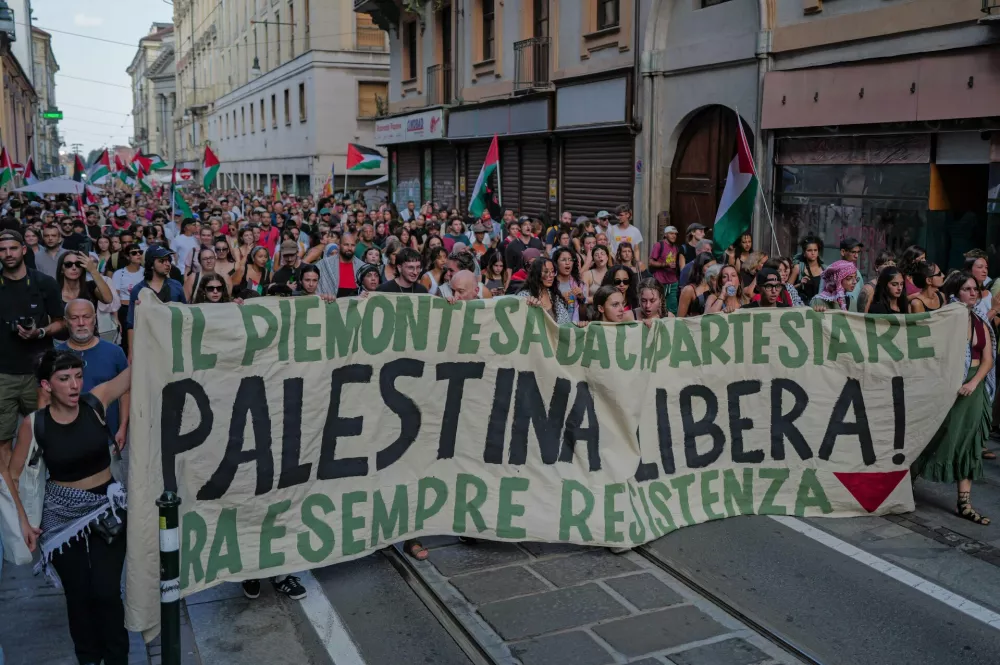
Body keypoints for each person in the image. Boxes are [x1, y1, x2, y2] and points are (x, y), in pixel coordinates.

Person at [8, 350, 132, 665]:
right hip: (60, 517)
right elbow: (11, 474)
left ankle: (117, 659)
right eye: (64, 379)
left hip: (107, 507)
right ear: (47, 385)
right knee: (79, 596)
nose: (75, 385)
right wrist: (23, 521)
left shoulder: (96, 401)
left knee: (106, 592)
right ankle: (89, 659)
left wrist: (151, 317)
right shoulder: (34, 424)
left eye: (78, 376)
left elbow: (137, 372)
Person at [912, 271, 995, 525]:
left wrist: (973, 382)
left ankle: (964, 503)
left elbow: (988, 359)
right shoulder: (945, 319)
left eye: (976, 289)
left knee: (970, 443)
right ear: (955, 293)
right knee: (933, 436)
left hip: (973, 388)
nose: (973, 293)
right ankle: (902, 484)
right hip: (948, 387)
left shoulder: (981, 321)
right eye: (967, 289)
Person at [0, 229, 65, 475]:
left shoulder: (44, 282)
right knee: (2, 440)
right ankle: (10, 496)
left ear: (23, 250)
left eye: (13, 248)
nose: (8, 254)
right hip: (3, 373)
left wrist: (39, 332)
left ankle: (45, 491)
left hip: (38, 374)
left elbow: (61, 323)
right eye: (3, 249)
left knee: (45, 435)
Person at [56, 300, 130, 454]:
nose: (81, 323)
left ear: (94, 319)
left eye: (86, 317)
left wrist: (123, 428)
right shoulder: (55, 356)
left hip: (107, 440)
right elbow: (45, 398)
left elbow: (125, 394)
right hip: (65, 441)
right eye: (75, 318)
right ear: (66, 321)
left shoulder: (114, 353)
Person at [126, 246, 186, 362]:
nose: (167, 264)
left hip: (174, 343)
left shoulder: (176, 286)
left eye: (169, 260)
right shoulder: (138, 290)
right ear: (151, 264)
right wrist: (131, 352)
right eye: (162, 261)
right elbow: (131, 324)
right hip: (148, 345)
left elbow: (185, 315)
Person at [515, 258, 573, 325]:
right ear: (536, 273)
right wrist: (529, 308)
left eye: (553, 271)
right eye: (546, 272)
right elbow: (518, 323)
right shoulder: (524, 296)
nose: (551, 275)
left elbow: (566, 324)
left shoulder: (555, 297)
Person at [111, 244, 145, 356]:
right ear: (127, 256)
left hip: (143, 310)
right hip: (124, 310)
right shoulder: (119, 274)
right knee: (126, 342)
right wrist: (116, 320)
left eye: (140, 252)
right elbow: (115, 298)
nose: (138, 255)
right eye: (134, 253)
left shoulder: (146, 272)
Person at [649, 226, 682, 314]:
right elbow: (651, 262)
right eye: (671, 233)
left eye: (675, 234)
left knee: (673, 308)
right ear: (665, 234)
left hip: (673, 281)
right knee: (658, 306)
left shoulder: (676, 248)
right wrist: (665, 264)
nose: (674, 236)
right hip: (660, 281)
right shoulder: (659, 245)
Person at [552, 247, 585, 322]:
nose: (568, 263)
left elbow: (583, 313)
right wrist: (560, 299)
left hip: (575, 325)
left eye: (570, 260)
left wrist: (581, 298)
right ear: (556, 263)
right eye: (563, 260)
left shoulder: (578, 283)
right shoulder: (551, 283)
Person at [677, 253, 715, 317]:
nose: (713, 270)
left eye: (715, 266)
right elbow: (680, 318)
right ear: (700, 267)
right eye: (709, 267)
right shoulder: (689, 289)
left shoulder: (714, 286)